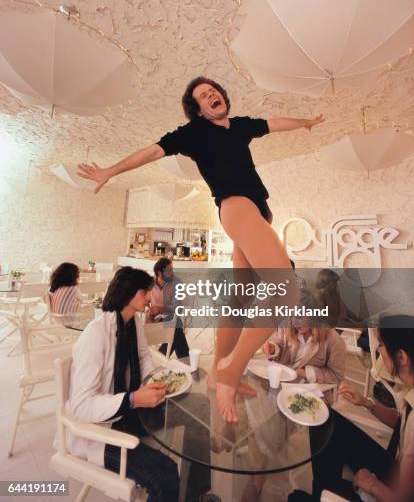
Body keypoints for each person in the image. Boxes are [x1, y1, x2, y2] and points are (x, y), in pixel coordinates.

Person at [78, 76, 325, 422]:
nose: (212, 96)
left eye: (214, 92)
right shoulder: (193, 134)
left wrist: (307, 123)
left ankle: (216, 378)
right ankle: (230, 371)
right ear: (197, 109)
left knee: (239, 298)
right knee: (286, 292)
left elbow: (275, 124)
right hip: (236, 207)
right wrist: (112, 170)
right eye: (203, 96)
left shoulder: (240, 127)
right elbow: (151, 151)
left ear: (222, 97)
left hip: (257, 213)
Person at [63, 266, 179, 502]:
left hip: (129, 414)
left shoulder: (132, 323)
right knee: (165, 474)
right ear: (129, 294)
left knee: (193, 412)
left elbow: (143, 357)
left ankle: (195, 493)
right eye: (145, 292)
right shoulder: (95, 335)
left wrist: (155, 383)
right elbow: (81, 406)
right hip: (101, 431)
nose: (149, 297)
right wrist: (134, 399)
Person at [290, 315, 414, 502]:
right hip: (394, 462)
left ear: (401, 357)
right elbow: (400, 422)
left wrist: (372, 484)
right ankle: (324, 489)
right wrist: (366, 403)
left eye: (381, 344)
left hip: (394, 489)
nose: (379, 349)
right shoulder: (409, 390)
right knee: (328, 420)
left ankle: (326, 493)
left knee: (295, 498)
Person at [262, 318, 345, 384]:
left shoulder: (334, 340)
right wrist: (273, 349)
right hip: (279, 380)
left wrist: (306, 372)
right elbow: (281, 343)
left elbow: (337, 376)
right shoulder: (286, 324)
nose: (295, 321)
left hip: (308, 390)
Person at [148, 257, 189, 358]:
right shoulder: (149, 283)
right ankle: (185, 362)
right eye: (169, 270)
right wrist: (150, 311)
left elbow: (177, 306)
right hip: (154, 320)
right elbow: (143, 301)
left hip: (171, 317)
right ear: (159, 273)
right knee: (177, 330)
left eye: (172, 269)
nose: (172, 273)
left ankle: (160, 356)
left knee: (174, 326)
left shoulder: (177, 282)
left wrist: (160, 309)